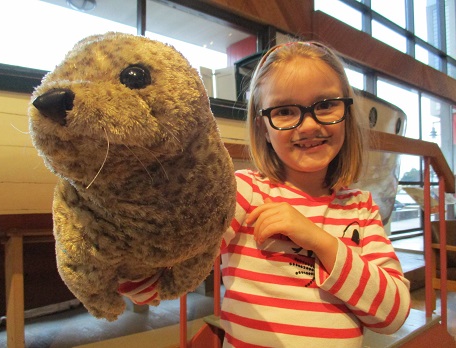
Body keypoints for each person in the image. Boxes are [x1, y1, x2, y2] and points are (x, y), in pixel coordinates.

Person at [120, 41, 411, 347]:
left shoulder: (360, 209)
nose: (309, 125)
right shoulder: (245, 192)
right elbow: (161, 275)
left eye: (325, 104)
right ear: (262, 127)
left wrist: (319, 241)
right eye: (285, 111)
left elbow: (393, 314)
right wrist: (131, 266)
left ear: (346, 111)